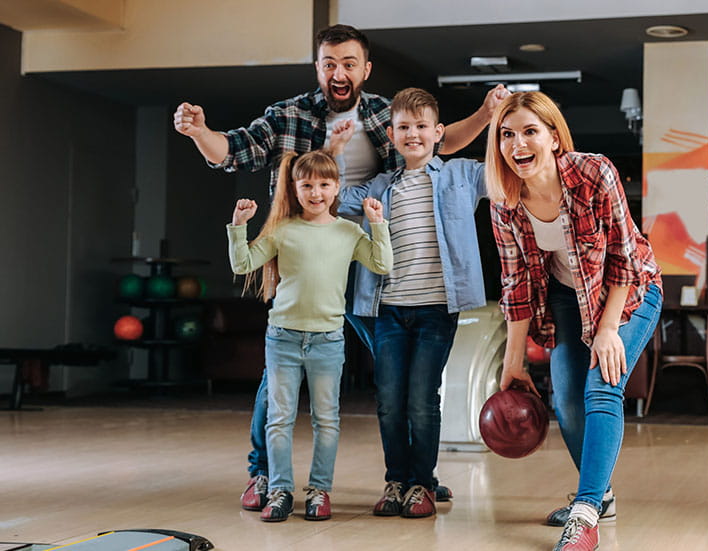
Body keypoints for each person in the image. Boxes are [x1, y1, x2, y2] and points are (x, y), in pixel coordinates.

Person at [172, 23, 508, 511]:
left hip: (371, 260)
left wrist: (485, 112)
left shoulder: (383, 115)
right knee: (282, 375)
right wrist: (200, 131)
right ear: (318, 67)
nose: (339, 72)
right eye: (329, 64)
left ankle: (418, 476)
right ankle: (262, 474)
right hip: (308, 256)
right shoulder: (287, 115)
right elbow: (233, 151)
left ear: (365, 69)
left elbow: (441, 142)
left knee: (405, 377)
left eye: (349, 63)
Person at [485, 92, 663, 551]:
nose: (517, 144)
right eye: (507, 134)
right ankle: (600, 496)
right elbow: (517, 283)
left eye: (530, 131)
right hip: (566, 296)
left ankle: (584, 515)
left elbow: (624, 258)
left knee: (602, 384)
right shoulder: (504, 201)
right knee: (565, 400)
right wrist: (513, 361)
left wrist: (607, 331)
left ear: (553, 136)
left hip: (631, 289)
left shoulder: (593, 172)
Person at [332, 87, 488, 519]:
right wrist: (335, 149)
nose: (413, 134)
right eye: (404, 127)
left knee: (422, 398)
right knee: (389, 400)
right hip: (388, 310)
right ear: (391, 134)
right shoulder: (378, 188)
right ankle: (396, 480)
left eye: (422, 127)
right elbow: (328, 198)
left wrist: (493, 116)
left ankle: (422, 483)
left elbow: (506, 172)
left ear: (439, 133)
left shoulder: (461, 175)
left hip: (437, 309)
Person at [227, 149, 392, 522]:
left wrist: (377, 223)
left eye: (324, 184)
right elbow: (242, 263)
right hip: (283, 338)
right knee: (280, 418)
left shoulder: (349, 231)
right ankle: (280, 490)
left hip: (327, 341)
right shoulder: (282, 230)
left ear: (336, 189)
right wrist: (239, 226)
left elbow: (382, 264)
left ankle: (320, 490)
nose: (315, 192)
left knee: (327, 420)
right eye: (307, 185)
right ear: (295, 189)